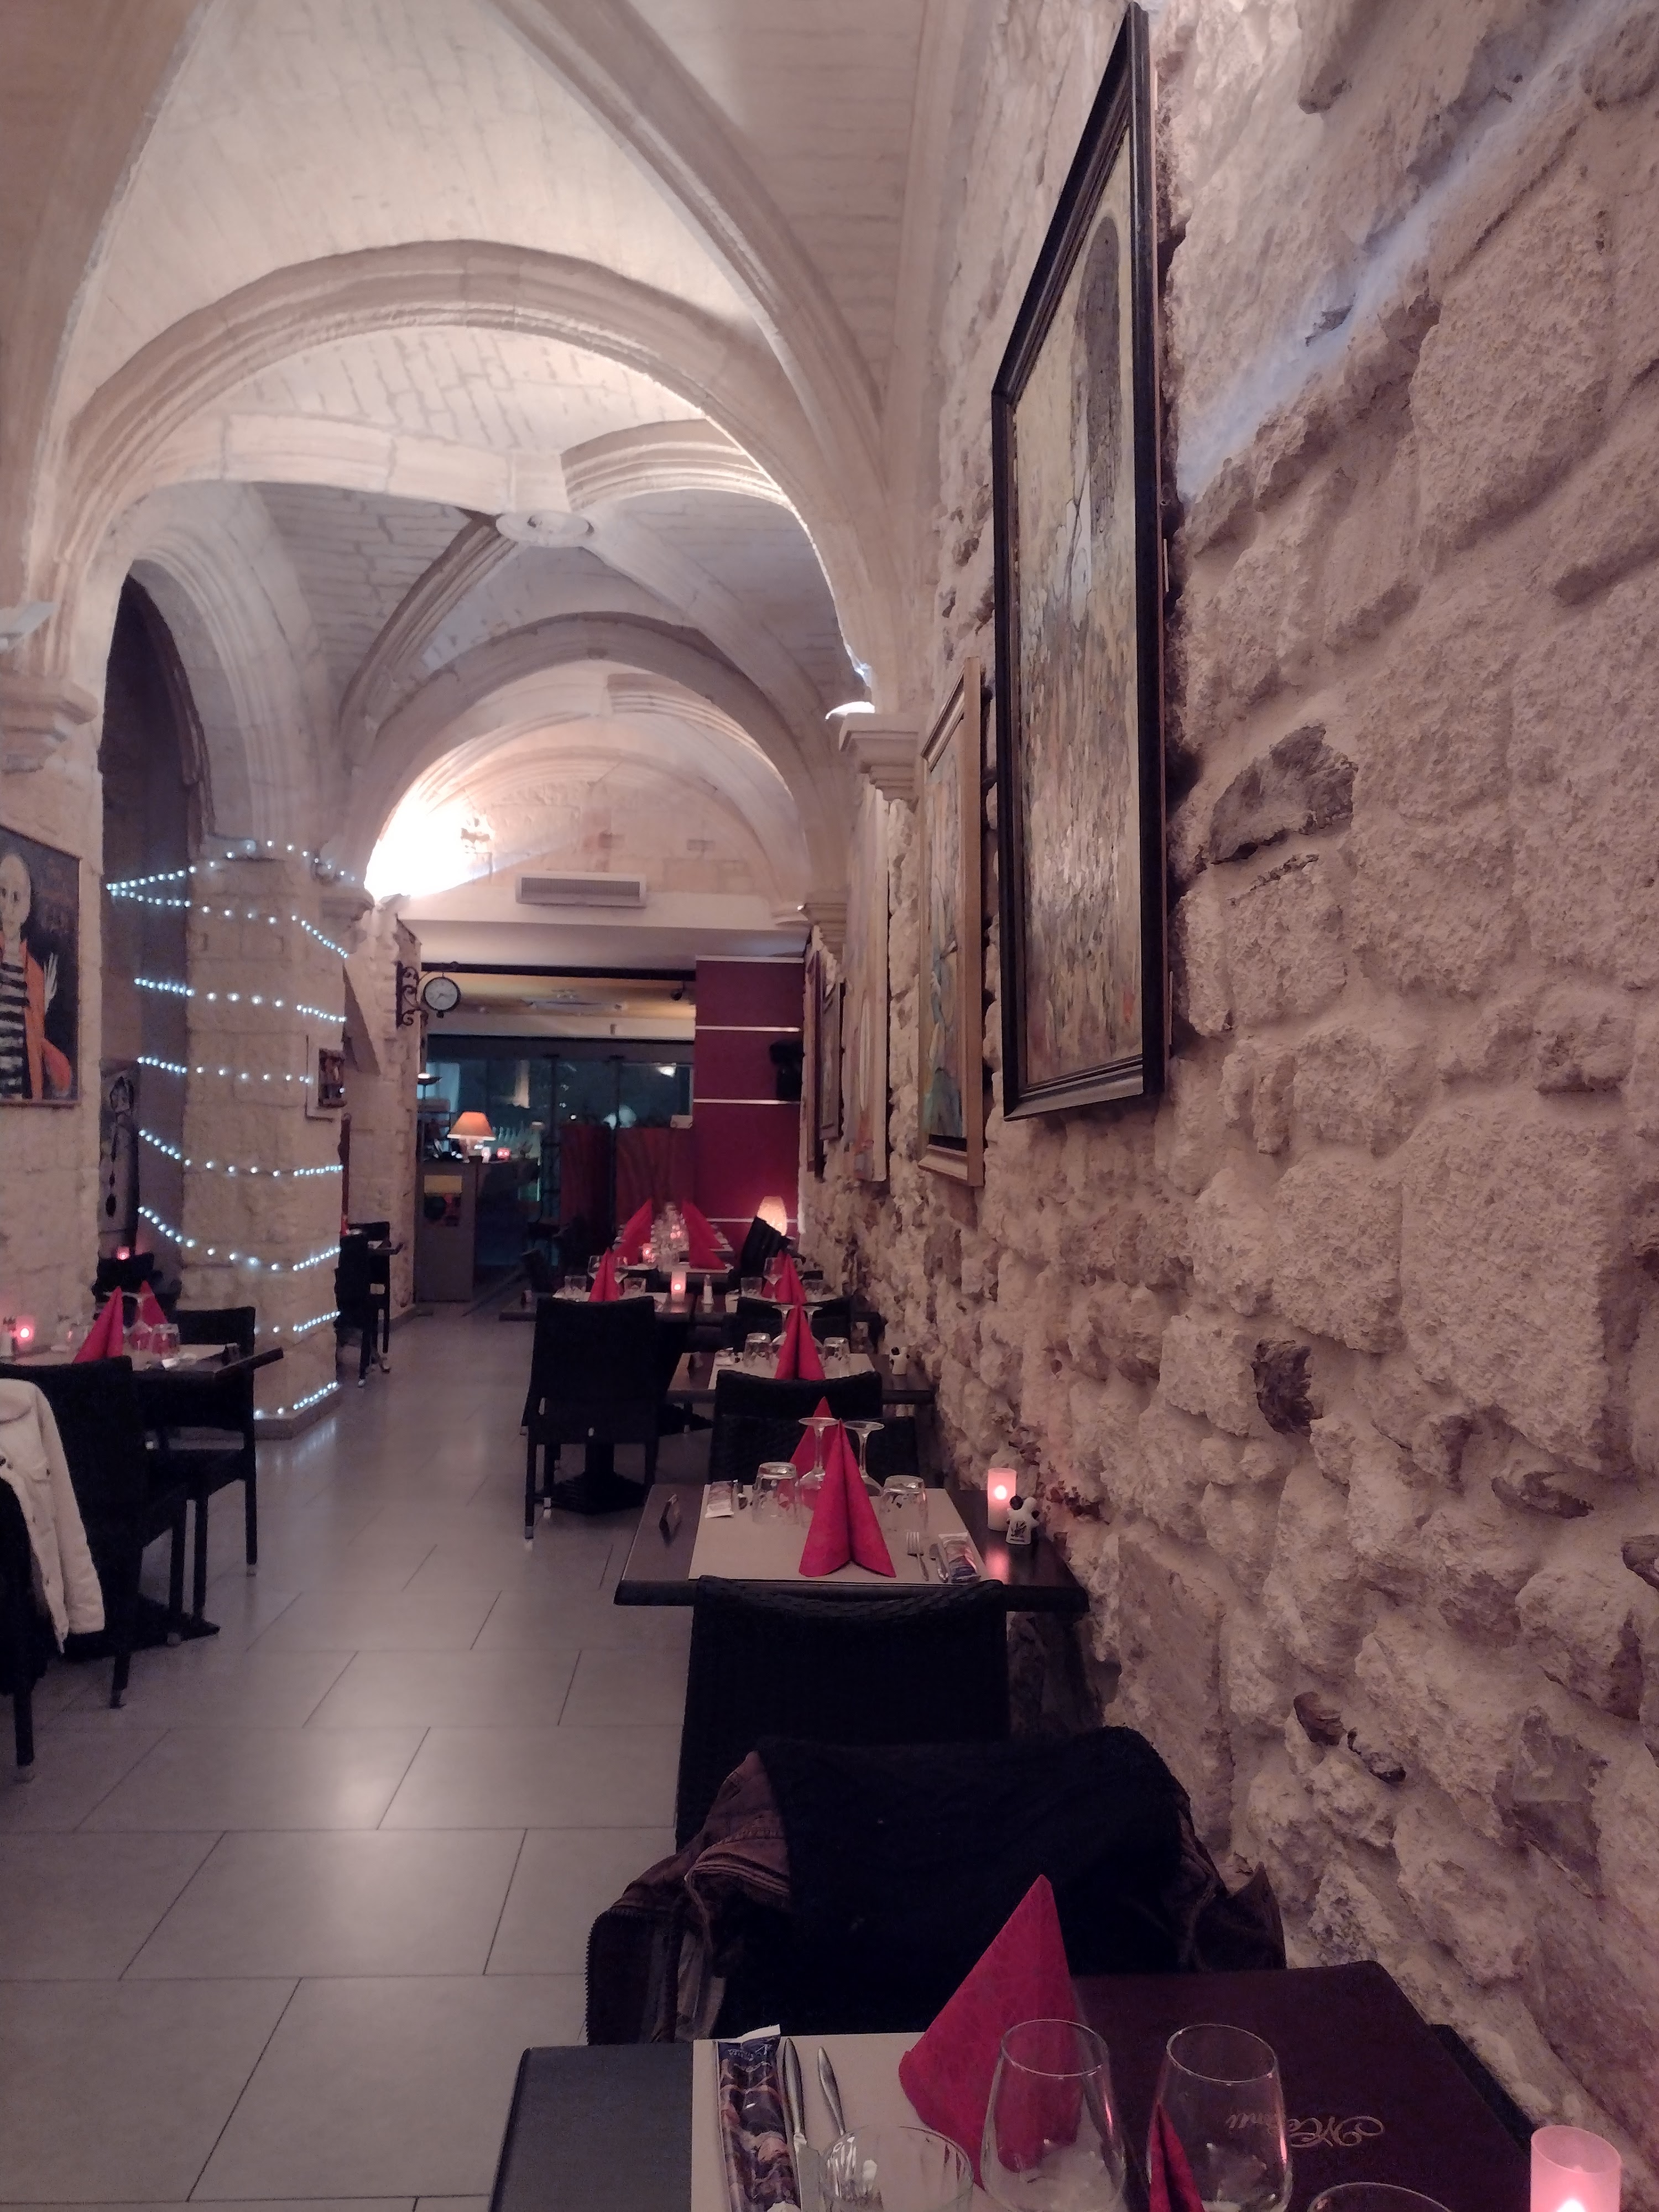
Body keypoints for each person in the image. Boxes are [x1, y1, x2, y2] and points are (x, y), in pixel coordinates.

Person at [0, 847, 72, 1101]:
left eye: (16, 897)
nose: (7, 907)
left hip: (21, 1102)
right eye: (2, 893)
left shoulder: (36, 974)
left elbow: (60, 1079)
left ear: (28, 905)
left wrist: (43, 1009)